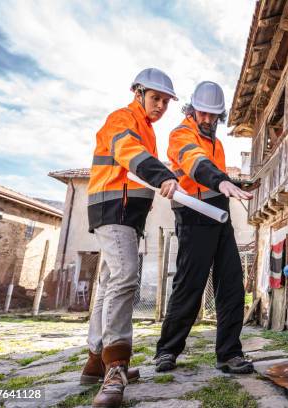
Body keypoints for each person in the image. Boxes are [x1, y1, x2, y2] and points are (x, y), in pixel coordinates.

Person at [82, 68, 185, 408]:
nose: (161, 106)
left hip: (127, 214)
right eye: (156, 98)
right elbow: (127, 153)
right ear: (138, 92)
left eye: (166, 101)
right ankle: (116, 366)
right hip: (114, 210)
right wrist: (163, 175)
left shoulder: (149, 131)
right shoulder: (122, 118)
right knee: (126, 277)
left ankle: (95, 361)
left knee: (110, 282)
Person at [155, 81, 256, 374]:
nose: (208, 120)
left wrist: (232, 183)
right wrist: (220, 179)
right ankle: (167, 351)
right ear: (192, 109)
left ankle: (229, 354)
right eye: (203, 113)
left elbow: (214, 175)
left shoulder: (218, 143)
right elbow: (195, 163)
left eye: (214, 116)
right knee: (190, 285)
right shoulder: (180, 134)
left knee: (233, 286)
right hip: (193, 214)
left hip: (219, 216)